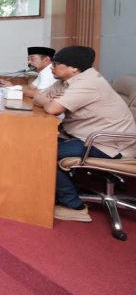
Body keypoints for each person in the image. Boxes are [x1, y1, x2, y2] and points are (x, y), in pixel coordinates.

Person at [33, 46, 136, 222]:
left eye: (56, 64)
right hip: (86, 137)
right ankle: (54, 191)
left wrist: (48, 101)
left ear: (74, 68)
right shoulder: (67, 80)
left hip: (109, 144)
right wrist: (47, 101)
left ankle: (75, 207)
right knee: (38, 143)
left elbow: (51, 108)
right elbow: (38, 96)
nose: (51, 67)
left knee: (46, 152)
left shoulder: (88, 84)